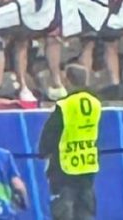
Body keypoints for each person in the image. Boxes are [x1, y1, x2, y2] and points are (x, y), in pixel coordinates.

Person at [38, 64, 101, 220]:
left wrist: (43, 152)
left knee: (63, 210)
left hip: (64, 166)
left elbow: (51, 132)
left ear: (67, 80)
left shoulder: (65, 105)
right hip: (87, 164)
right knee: (86, 211)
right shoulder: (95, 103)